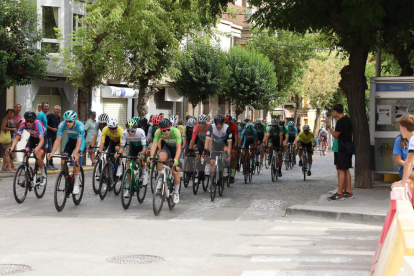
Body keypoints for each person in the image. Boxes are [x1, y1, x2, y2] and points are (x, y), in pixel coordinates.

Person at [48, 110, 85, 195]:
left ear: (74, 120)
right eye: (66, 121)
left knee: (75, 160)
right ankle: (69, 177)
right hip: (70, 141)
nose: (68, 123)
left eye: (70, 121)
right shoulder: (62, 125)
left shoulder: (80, 126)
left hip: (79, 142)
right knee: (63, 161)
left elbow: (79, 142)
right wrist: (52, 152)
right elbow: (57, 140)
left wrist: (75, 154)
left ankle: (76, 184)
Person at [148, 118, 182, 204]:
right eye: (163, 131)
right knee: (160, 158)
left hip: (177, 150)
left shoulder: (176, 131)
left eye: (168, 129)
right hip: (168, 147)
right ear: (160, 130)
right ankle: (160, 179)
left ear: (170, 127)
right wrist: (151, 156)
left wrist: (176, 160)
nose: (166, 132)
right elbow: (154, 145)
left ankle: (176, 193)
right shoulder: (157, 132)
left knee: (175, 171)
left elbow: (179, 148)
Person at [9, 111, 47, 184]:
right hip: (32, 138)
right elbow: (17, 137)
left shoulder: (37, 124)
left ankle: (43, 175)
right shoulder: (23, 124)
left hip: (42, 138)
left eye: (31, 121)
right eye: (27, 121)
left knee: (38, 156)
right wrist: (12, 147)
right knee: (25, 154)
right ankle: (27, 174)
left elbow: (42, 140)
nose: (29, 123)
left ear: (34, 120)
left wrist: (37, 148)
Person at [326, 104, 353, 201]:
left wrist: (328, 125)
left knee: (341, 170)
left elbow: (335, 135)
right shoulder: (348, 120)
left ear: (336, 112)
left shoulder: (340, 122)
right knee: (346, 170)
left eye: (333, 111)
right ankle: (348, 191)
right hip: (348, 147)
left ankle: (340, 193)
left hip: (342, 148)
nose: (332, 113)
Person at [119, 119, 148, 197]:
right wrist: (119, 153)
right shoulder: (125, 133)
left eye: (132, 131)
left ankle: (144, 174)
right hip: (133, 146)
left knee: (139, 159)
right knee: (128, 164)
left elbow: (144, 148)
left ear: (136, 129)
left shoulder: (141, 132)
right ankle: (128, 188)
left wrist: (141, 154)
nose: (130, 133)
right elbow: (122, 146)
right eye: (129, 131)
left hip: (141, 147)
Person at [392, 115, 414, 206]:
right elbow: (410, 162)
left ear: (403, 128)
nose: (400, 130)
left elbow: (408, 162)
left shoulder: (412, 139)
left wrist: (403, 182)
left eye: (400, 128)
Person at [205, 114, 232, 179]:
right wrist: (206, 151)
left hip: (224, 144)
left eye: (220, 123)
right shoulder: (211, 127)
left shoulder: (227, 128)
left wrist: (228, 154)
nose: (218, 125)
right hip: (215, 144)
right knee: (212, 162)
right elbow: (207, 140)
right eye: (216, 123)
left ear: (223, 123)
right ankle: (211, 181)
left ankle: (225, 168)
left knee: (226, 153)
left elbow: (230, 143)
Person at [190, 114, 210, 179]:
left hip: (209, 140)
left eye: (203, 123)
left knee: (207, 155)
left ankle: (207, 167)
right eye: (200, 123)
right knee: (197, 155)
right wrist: (190, 149)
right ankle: (197, 172)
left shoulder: (209, 127)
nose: (201, 125)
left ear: (205, 123)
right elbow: (193, 139)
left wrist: (207, 150)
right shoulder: (196, 127)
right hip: (201, 140)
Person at [224, 115, 239, 183]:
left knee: (234, 156)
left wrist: (235, 145)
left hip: (232, 139)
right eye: (225, 122)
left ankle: (232, 175)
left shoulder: (234, 125)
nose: (227, 124)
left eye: (228, 123)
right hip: (225, 139)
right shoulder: (222, 125)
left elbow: (236, 137)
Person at [46, 105, 61, 170]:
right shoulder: (49, 116)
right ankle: (49, 164)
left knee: (52, 150)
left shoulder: (58, 117)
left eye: (58, 110)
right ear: (53, 109)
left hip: (54, 135)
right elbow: (45, 125)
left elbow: (58, 125)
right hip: (48, 135)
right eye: (56, 109)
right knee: (49, 150)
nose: (57, 111)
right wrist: (52, 129)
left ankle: (51, 163)